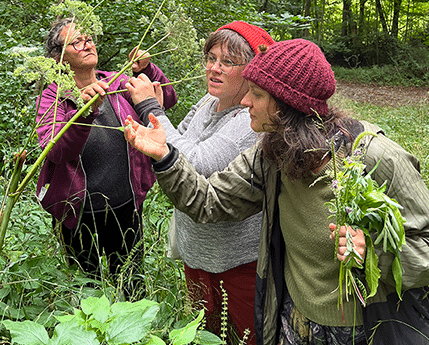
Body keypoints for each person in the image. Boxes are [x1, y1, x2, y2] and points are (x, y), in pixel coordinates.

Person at [124, 38, 429, 345]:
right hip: (293, 321)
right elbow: (209, 202)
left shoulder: (375, 158)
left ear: (286, 106)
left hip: (366, 328)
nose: (245, 102)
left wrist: (374, 253)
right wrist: (165, 157)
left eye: (256, 94)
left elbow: (425, 247)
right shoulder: (271, 154)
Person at [126, 21, 274, 344]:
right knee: (205, 336)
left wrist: (150, 107)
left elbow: (197, 162)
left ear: (251, 70)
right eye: (211, 58)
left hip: (236, 262)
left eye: (228, 62)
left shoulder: (250, 123)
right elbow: (178, 137)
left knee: (249, 337)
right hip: (197, 253)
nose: (214, 68)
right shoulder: (209, 103)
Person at [35, 17, 177, 297]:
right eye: (77, 41)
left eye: (88, 38)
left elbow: (167, 98)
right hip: (77, 214)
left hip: (125, 206)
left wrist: (148, 69)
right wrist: (84, 110)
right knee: (86, 291)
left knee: (132, 286)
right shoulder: (52, 98)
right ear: (59, 57)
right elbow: (56, 151)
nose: (87, 44)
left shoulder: (117, 83)